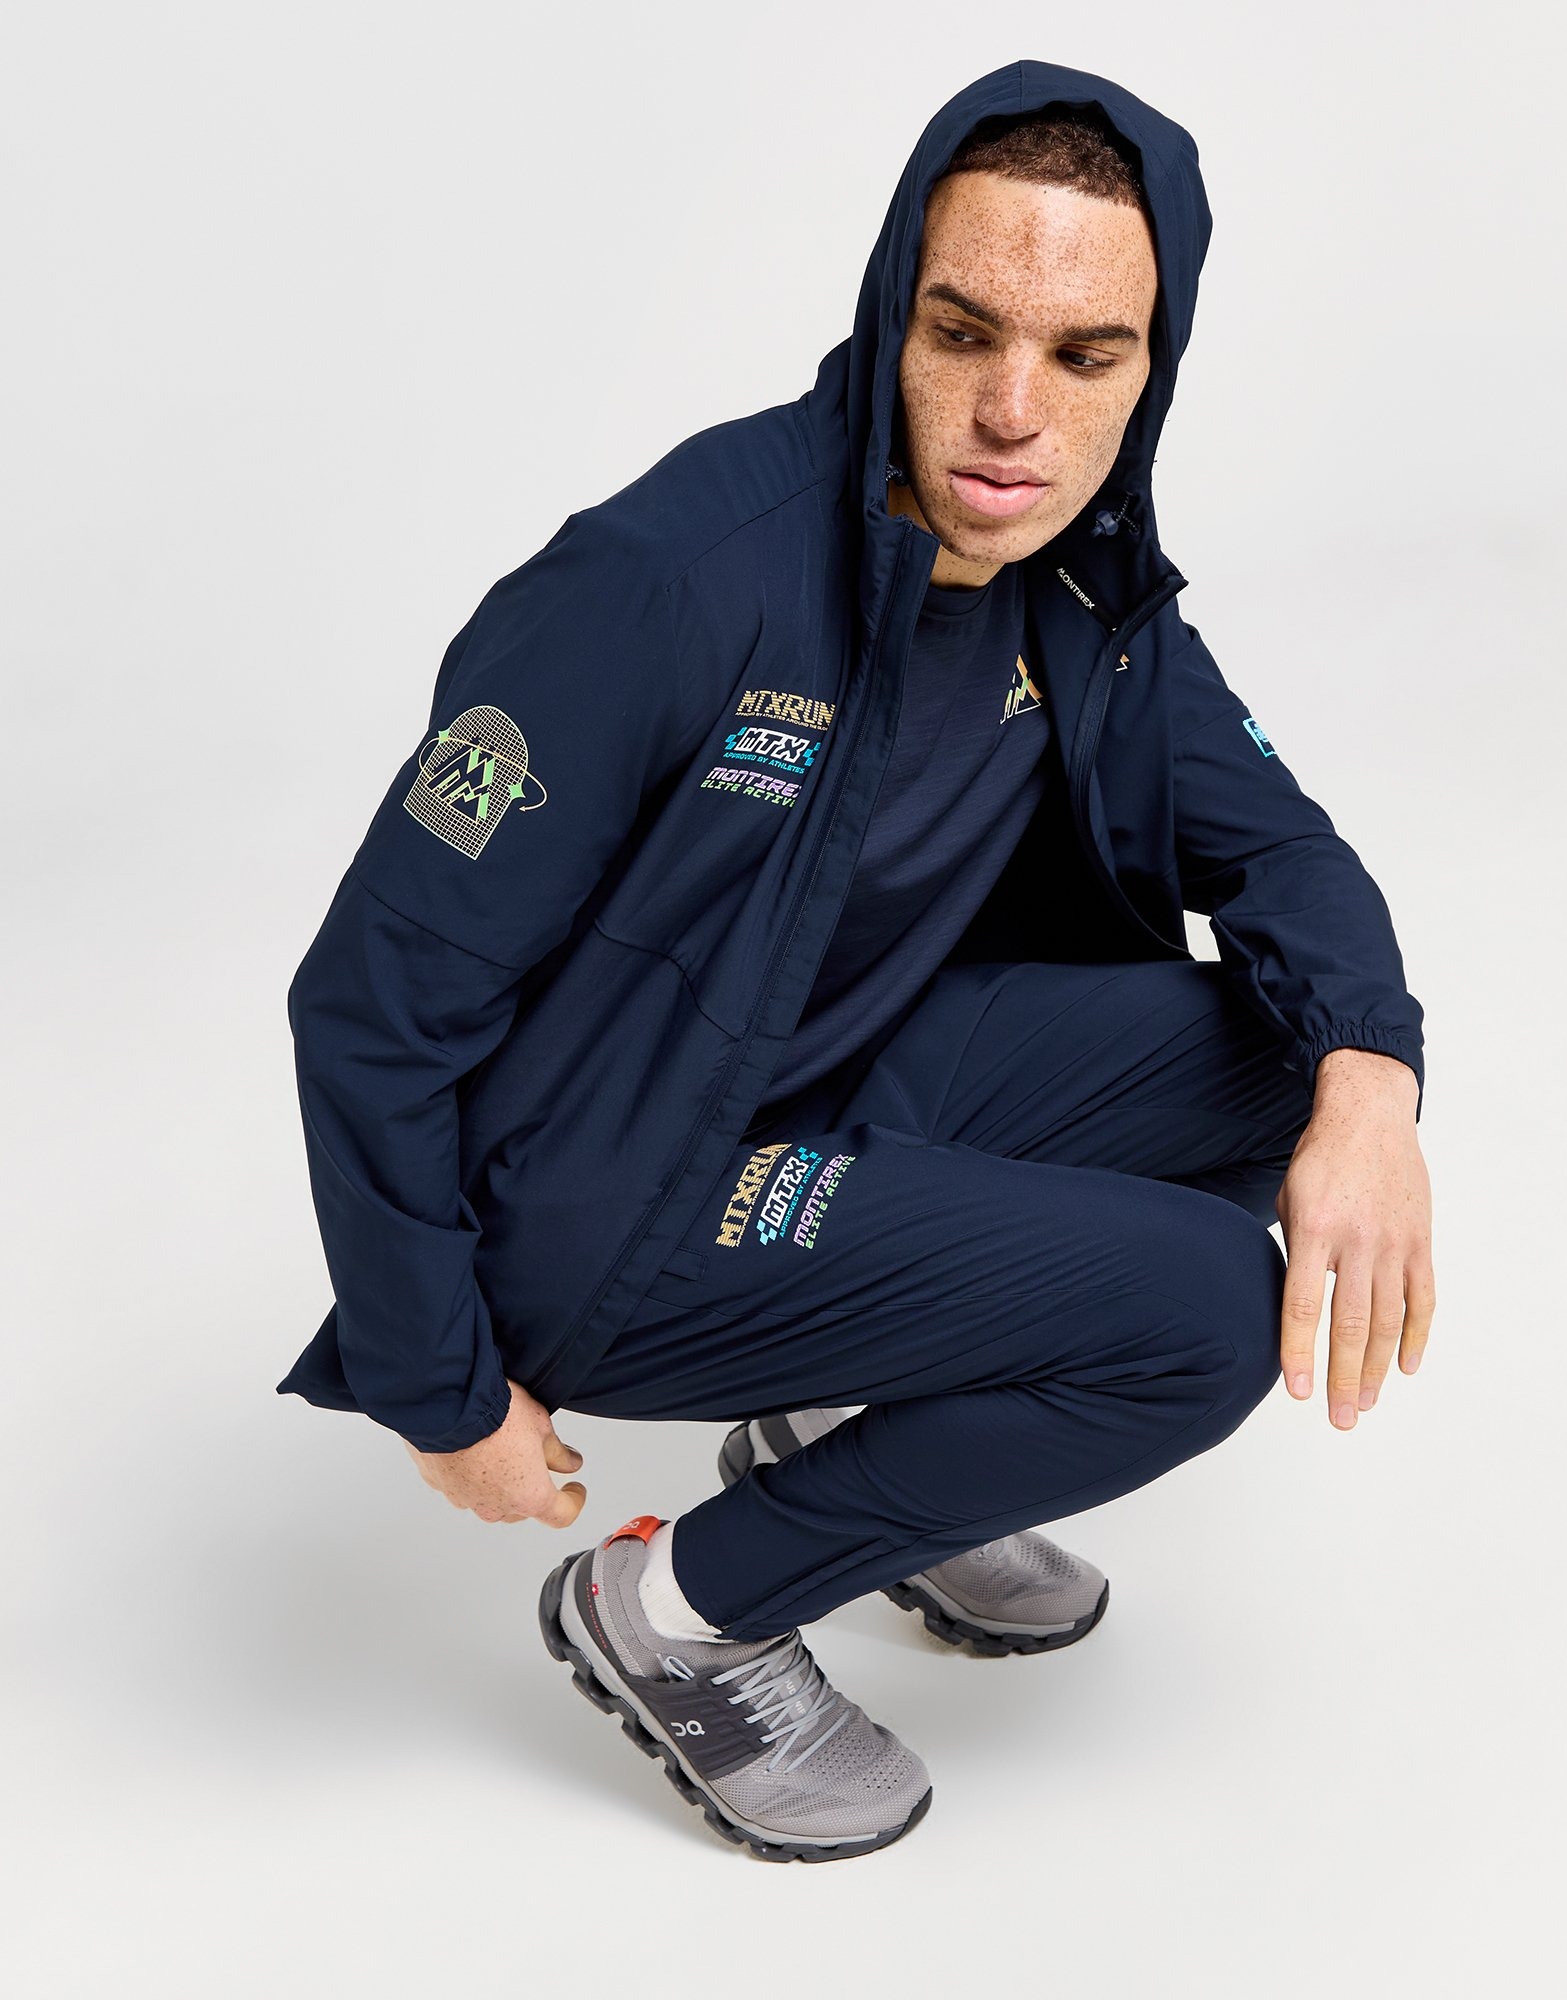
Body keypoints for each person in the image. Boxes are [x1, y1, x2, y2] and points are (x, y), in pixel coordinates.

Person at [277, 60, 1434, 1862]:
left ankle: (852, 1415)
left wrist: (1373, 1090)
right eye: (962, 331)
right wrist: (440, 1383)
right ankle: (681, 1613)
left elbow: (1280, 850)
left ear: (1153, 368)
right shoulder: (671, 580)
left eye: (1086, 357)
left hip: (831, 1077)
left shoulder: (1083, 584)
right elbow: (371, 1000)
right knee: (1205, 1319)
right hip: (610, 1189)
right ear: (893, 306)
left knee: (1289, 1058)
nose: (1011, 414)